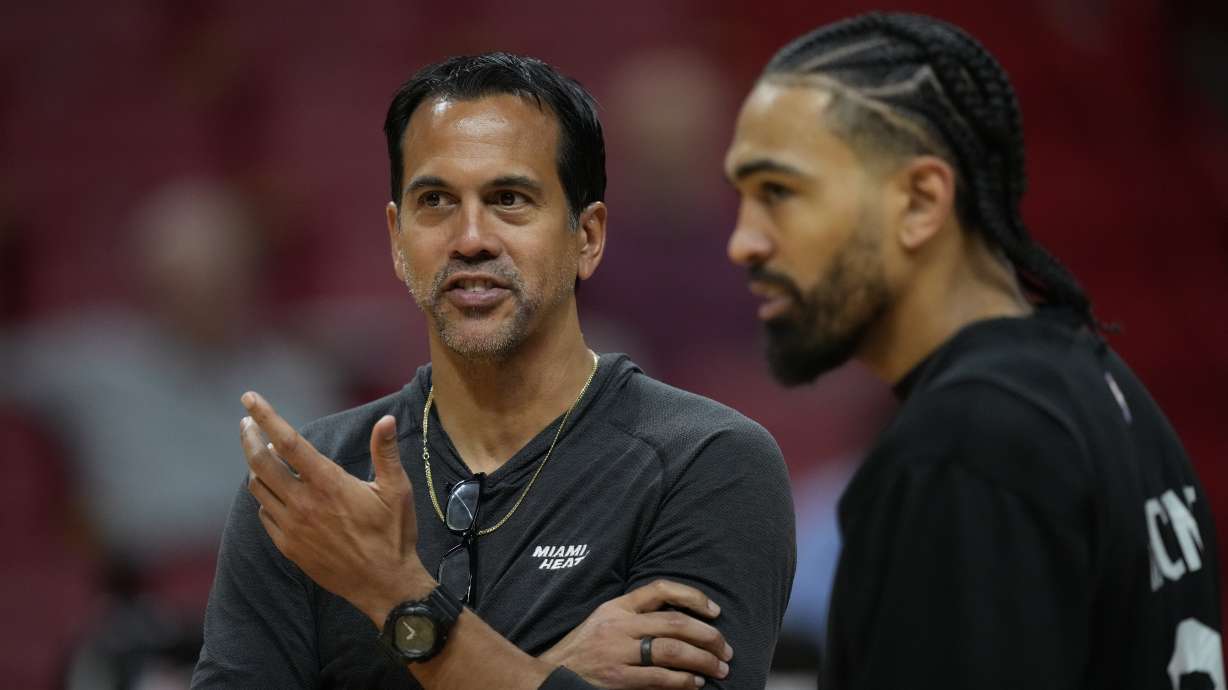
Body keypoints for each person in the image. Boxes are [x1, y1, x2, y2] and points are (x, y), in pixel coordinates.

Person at [192, 53, 795, 690]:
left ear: (586, 238)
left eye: (509, 199)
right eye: (436, 202)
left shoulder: (707, 463)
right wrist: (554, 671)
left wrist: (396, 595)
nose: (471, 237)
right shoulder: (310, 490)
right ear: (398, 241)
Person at [721, 12, 1223, 690]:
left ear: (922, 200)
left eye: (779, 192)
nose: (744, 242)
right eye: (742, 198)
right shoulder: (1099, 386)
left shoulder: (964, 446)